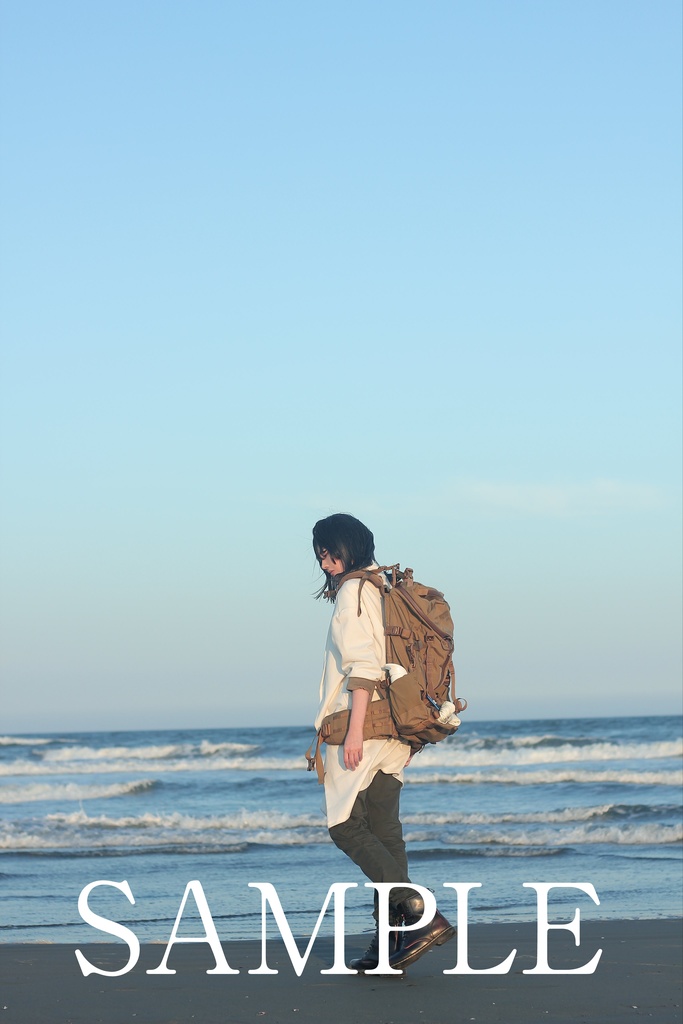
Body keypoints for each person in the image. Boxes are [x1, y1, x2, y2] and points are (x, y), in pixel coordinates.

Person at [311, 512, 455, 971]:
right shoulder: (385, 588)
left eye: (329, 554)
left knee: (345, 827)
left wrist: (353, 732)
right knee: (384, 832)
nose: (325, 564)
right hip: (396, 725)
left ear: (349, 549)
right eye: (320, 556)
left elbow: (364, 667)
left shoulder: (355, 592)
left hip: (365, 725)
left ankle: (420, 912)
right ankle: (390, 943)